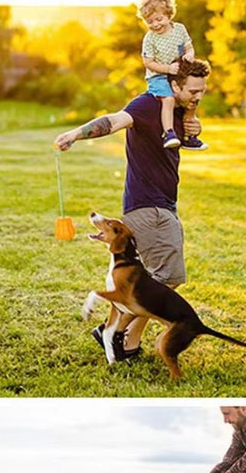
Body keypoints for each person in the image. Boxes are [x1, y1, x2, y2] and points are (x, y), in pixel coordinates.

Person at [54, 58, 210, 361]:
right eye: (193, 91)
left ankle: (126, 341)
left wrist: (194, 125)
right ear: (174, 85)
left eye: (202, 91)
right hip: (147, 205)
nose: (198, 97)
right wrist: (75, 134)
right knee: (168, 276)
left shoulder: (177, 111)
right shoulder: (147, 105)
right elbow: (113, 121)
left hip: (164, 203)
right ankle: (112, 331)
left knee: (158, 278)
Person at [138, 0, 207, 151]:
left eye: (159, 19)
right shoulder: (150, 38)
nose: (155, 24)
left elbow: (188, 47)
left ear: (169, 15)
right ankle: (169, 133)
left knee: (192, 98)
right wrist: (167, 68)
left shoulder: (179, 29)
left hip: (177, 72)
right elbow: (148, 62)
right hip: (159, 76)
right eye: (150, 21)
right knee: (169, 100)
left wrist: (189, 55)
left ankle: (190, 136)